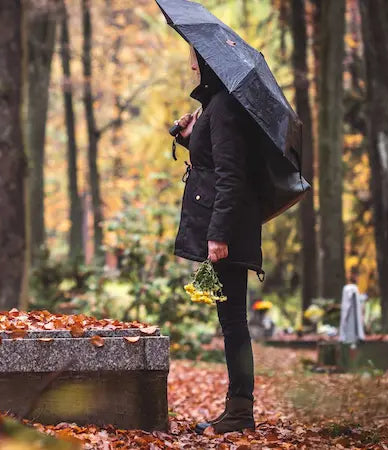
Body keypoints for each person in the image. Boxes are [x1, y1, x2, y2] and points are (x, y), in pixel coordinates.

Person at [173, 47, 264, 434]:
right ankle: (238, 408)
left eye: (196, 58)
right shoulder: (217, 107)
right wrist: (187, 136)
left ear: (209, 63)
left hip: (229, 231)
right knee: (231, 321)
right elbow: (211, 162)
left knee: (234, 323)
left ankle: (241, 410)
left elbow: (231, 175)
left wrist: (218, 235)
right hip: (228, 227)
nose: (192, 65)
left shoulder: (224, 108)